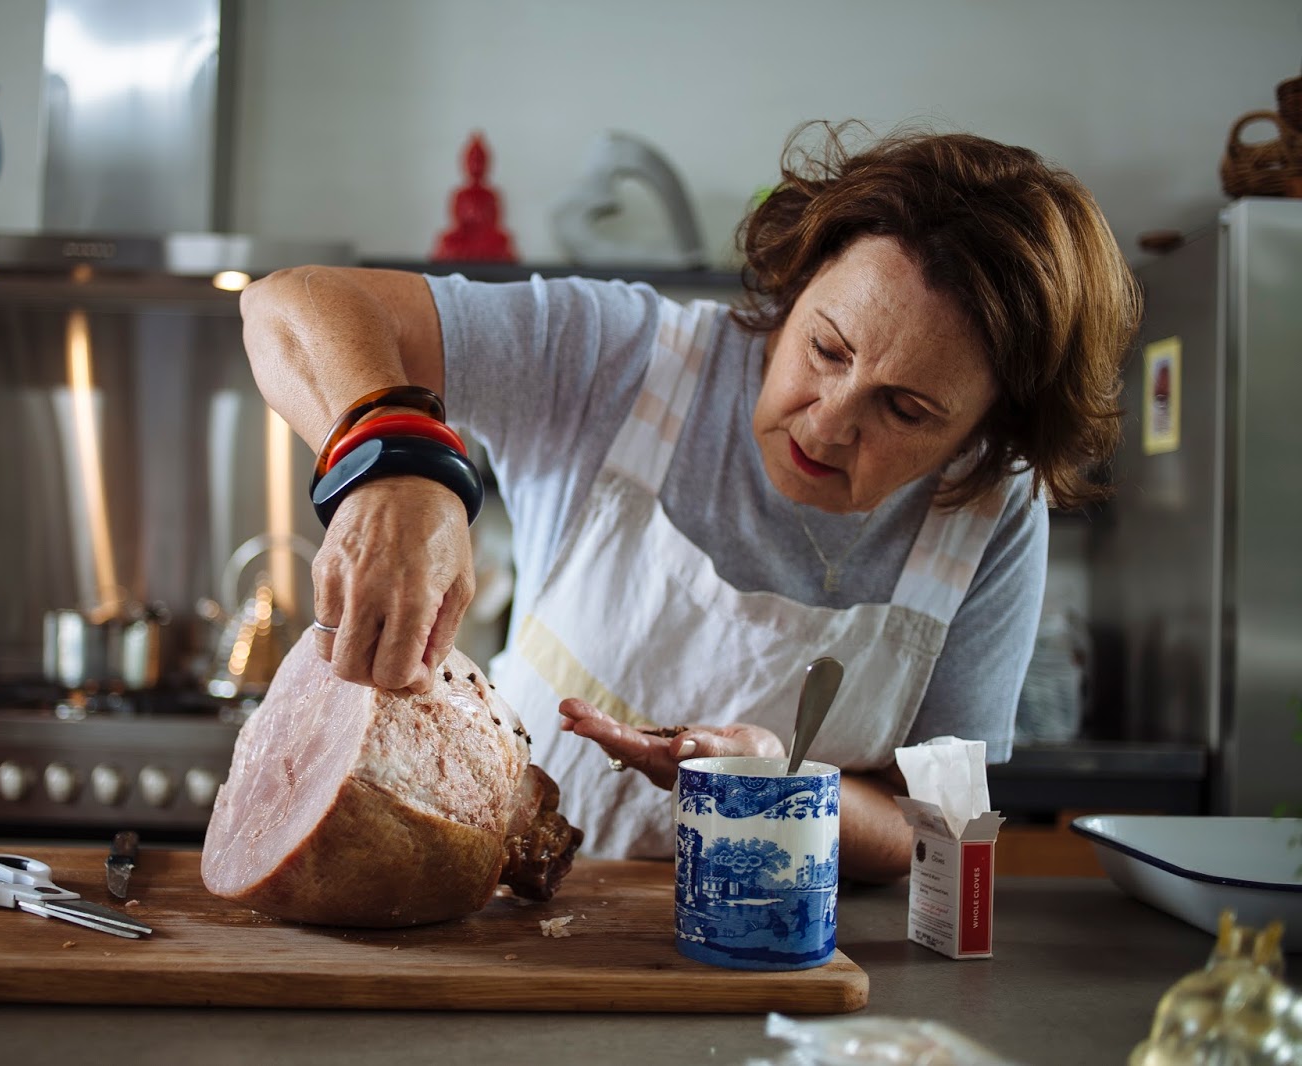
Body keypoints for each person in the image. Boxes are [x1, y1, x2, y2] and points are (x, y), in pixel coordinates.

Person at [240, 121, 1141, 882]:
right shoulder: (623, 356)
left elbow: (935, 833)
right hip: (520, 917)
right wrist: (397, 463)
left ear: (987, 428)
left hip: (789, 960)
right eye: (825, 349)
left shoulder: (991, 511)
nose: (828, 425)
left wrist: (782, 786)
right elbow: (292, 303)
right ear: (800, 280)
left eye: (905, 410)